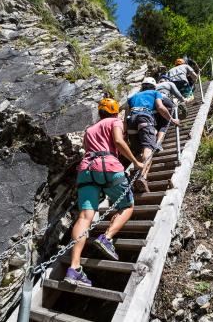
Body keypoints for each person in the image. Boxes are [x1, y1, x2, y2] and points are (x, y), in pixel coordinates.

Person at [64, 97, 145, 287]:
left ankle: (74, 268)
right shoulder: (115, 121)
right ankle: (107, 238)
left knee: (85, 217)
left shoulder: (89, 130)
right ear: (115, 111)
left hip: (86, 170)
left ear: (100, 112)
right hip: (108, 166)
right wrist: (136, 161)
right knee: (127, 205)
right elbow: (117, 141)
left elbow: (88, 150)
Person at [126, 77, 180, 193]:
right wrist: (172, 119)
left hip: (131, 121)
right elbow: (160, 107)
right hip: (144, 117)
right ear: (154, 86)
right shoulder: (156, 93)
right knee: (148, 148)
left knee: (138, 151)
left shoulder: (133, 96)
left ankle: (135, 174)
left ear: (143, 85)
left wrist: (126, 133)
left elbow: (127, 115)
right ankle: (142, 177)